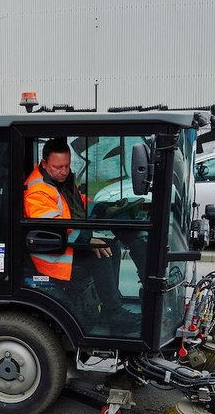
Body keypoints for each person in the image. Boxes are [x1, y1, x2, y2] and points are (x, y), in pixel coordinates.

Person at [24, 137, 136, 329]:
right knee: (100, 257)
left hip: (66, 244)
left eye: (67, 166)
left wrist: (102, 209)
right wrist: (87, 240)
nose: (64, 171)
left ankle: (110, 303)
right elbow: (52, 227)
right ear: (44, 163)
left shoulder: (60, 180)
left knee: (112, 248)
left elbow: (79, 202)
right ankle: (113, 312)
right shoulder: (37, 191)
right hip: (50, 254)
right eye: (58, 167)